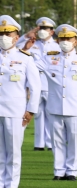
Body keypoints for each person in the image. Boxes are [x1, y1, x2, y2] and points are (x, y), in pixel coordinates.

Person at [32, 24, 77, 181]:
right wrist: (26, 46)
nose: (65, 41)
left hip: (76, 107)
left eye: (69, 38)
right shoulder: (49, 58)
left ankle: (72, 170)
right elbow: (31, 66)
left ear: (75, 41)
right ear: (57, 40)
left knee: (73, 139)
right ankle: (59, 170)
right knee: (56, 140)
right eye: (62, 38)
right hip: (55, 106)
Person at [0, 16, 41, 188]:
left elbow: (35, 87)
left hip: (15, 110)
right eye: (2, 33)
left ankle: (11, 183)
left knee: (14, 149)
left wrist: (31, 110)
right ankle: (1, 181)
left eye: (8, 33)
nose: (4, 36)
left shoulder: (25, 58)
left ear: (17, 37)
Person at [17, 17, 58, 151]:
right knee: (37, 114)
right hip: (34, 85)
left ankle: (51, 143)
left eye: (45, 29)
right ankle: (39, 143)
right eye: (40, 28)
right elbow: (15, 48)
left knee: (52, 114)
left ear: (52, 32)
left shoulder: (57, 46)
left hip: (50, 84)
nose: (42, 31)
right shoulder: (31, 43)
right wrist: (26, 37)